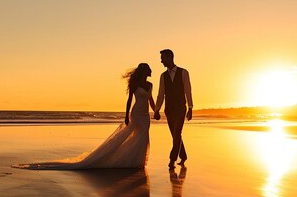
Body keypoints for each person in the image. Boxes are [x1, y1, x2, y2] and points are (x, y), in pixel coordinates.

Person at [12, 63, 155, 169]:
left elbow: (151, 99)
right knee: (134, 136)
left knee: (143, 137)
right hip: (136, 114)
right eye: (149, 69)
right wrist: (125, 116)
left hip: (145, 116)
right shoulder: (135, 84)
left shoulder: (150, 84)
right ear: (144, 71)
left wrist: (155, 111)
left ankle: (138, 161)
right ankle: (130, 160)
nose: (151, 71)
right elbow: (129, 100)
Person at [154, 49, 193, 169]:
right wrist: (157, 109)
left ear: (169, 57)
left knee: (177, 134)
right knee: (175, 135)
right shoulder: (163, 76)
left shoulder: (183, 72)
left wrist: (190, 107)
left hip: (181, 108)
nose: (161, 61)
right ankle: (183, 156)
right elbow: (161, 94)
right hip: (169, 110)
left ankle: (172, 160)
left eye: (163, 58)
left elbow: (188, 90)